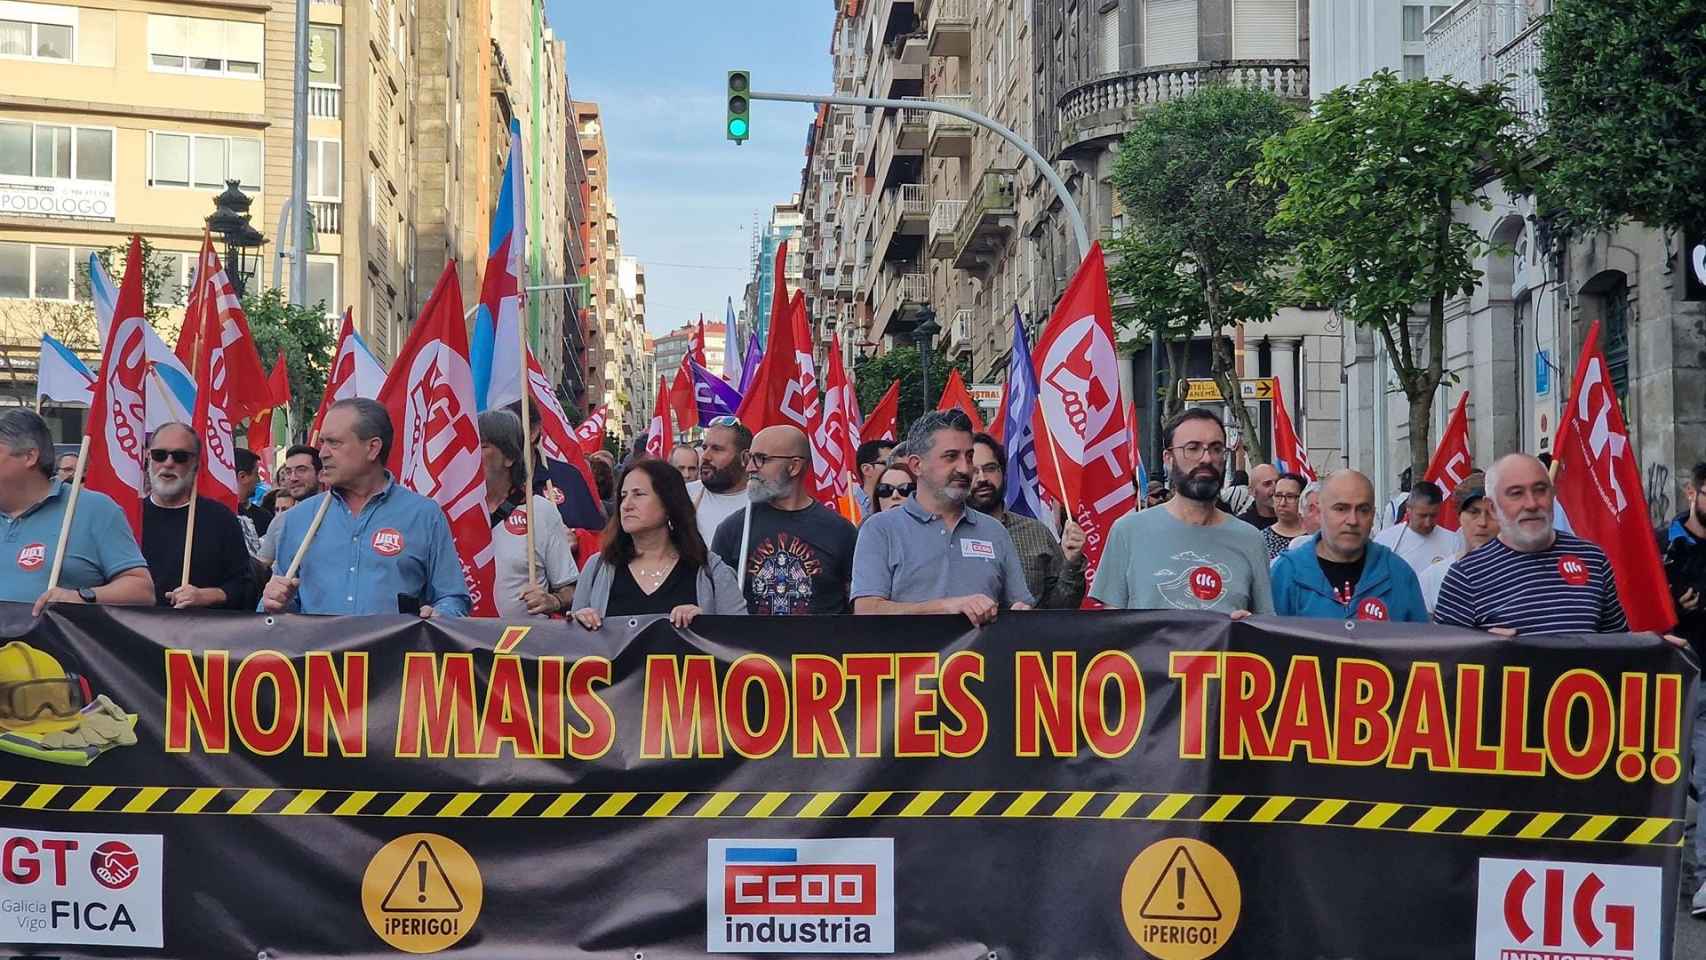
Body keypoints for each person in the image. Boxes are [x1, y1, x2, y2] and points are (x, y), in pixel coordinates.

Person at [262, 399, 471, 617]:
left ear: (372, 448)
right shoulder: (298, 519)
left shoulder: (424, 515)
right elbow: (279, 611)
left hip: (393, 650)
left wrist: (440, 614)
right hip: (319, 650)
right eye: (322, 442)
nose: (322, 453)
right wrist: (272, 604)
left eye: (334, 443)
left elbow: (453, 598)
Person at [851, 410, 1033, 625]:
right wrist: (947, 607)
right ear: (917, 465)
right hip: (911, 658)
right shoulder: (880, 529)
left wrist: (1021, 611)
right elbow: (867, 610)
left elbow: (1019, 605)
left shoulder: (994, 531)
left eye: (969, 456)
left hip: (983, 658)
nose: (965, 468)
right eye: (951, 457)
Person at [1089, 408, 1272, 616]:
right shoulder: (1128, 532)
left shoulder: (1250, 539)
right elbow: (1111, 629)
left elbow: (1266, 627)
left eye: (1216, 448)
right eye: (1192, 448)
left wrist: (1251, 628)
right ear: (1168, 458)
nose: (1206, 458)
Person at [1433, 453, 1626, 635]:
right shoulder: (1465, 576)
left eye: (1540, 490)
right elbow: (1444, 661)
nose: (1532, 504)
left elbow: (1620, 650)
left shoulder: (1593, 560)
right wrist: (1482, 648)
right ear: (1492, 508)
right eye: (1516, 494)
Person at [0, 410, 153, 613]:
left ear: (30, 456)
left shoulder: (95, 509)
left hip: (54, 644)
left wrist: (80, 597)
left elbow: (142, 590)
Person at [570, 458, 746, 627]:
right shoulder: (597, 567)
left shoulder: (711, 570)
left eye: (638, 494)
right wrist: (580, 623)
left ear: (669, 504)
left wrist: (706, 624)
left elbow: (741, 643)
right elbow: (574, 647)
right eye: (623, 496)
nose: (626, 505)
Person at [710, 425, 856, 615]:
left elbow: (855, 604)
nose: (750, 468)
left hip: (821, 643)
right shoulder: (733, 529)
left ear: (794, 466)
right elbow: (712, 600)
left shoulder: (840, 531)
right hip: (750, 643)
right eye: (749, 457)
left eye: (761, 459)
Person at [1269, 470, 1428, 622]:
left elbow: (1420, 644)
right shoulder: (1286, 574)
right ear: (1319, 512)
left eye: (1362, 510)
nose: (1352, 520)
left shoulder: (1398, 574)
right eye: (1341, 509)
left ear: (1373, 516)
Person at [1655, 463, 1706, 915]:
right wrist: (1671, 606)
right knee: (1664, 780)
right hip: (1667, 682)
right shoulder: (1660, 544)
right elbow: (1634, 608)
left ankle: (1704, 877)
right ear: (1693, 493)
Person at [139, 422, 256, 610]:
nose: (168, 463)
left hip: (200, 632)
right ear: (148, 458)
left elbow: (245, 586)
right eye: (159, 455)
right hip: (135, 632)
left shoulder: (220, 519)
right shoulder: (129, 517)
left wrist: (206, 596)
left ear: (195, 464)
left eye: (180, 457)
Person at [479, 409, 578, 619]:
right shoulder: (453, 513)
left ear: (510, 456)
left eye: (483, 445)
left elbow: (572, 590)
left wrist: (552, 601)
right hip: (462, 645)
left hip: (523, 646)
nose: (472, 453)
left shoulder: (540, 512)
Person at [968, 433, 1086, 608]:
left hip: (1030, 635)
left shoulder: (1037, 533)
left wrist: (1071, 563)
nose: (982, 478)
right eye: (973, 471)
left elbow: (1061, 609)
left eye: (990, 468)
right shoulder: (947, 535)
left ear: (1003, 472)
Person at [1418, 479, 1500, 613]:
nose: (1483, 522)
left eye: (1491, 513)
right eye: (1474, 512)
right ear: (1459, 516)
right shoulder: (1432, 577)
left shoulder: (1520, 573)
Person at [1373, 481, 1464, 576]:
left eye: (1433, 516)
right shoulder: (1386, 540)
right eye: (1422, 516)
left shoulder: (1453, 541)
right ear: (1408, 508)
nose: (1427, 523)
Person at [686, 417, 752, 546]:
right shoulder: (683, 495)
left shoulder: (761, 504)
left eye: (717, 449)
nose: (705, 456)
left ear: (745, 458)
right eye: (705, 448)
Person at [257, 445, 323, 567]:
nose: (293, 478)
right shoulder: (281, 521)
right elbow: (261, 566)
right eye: (288, 472)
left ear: (321, 474)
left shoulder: (338, 514)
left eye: (301, 470)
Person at [1262, 472, 1309, 560]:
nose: (1283, 503)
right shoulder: (1262, 538)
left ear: (1302, 499)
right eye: (1278, 496)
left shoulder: (1313, 537)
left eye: (1290, 496)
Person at [233, 448, 273, 536]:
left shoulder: (264, 518)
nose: (258, 480)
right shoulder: (216, 515)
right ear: (242, 476)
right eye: (256, 474)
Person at [854, 439, 895, 514]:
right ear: (866, 469)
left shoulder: (901, 499)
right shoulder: (843, 507)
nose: (896, 468)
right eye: (889, 463)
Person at [1238, 463, 1279, 531]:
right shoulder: (1242, 526)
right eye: (1267, 484)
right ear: (1252, 491)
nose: (1276, 488)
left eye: (1278, 482)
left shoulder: (1294, 521)